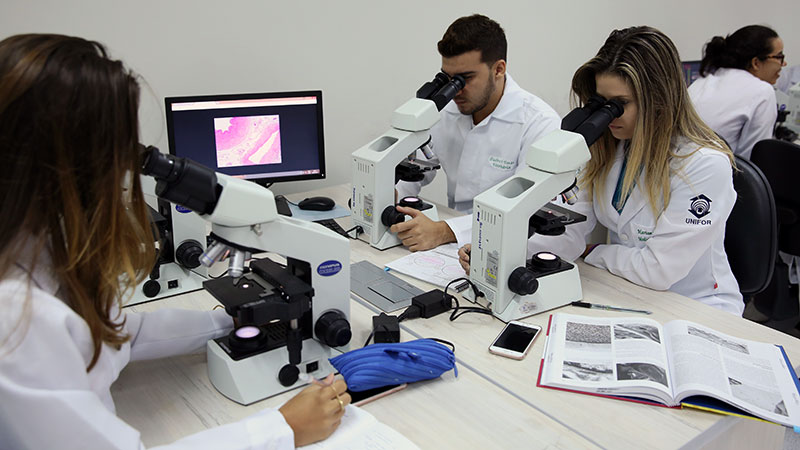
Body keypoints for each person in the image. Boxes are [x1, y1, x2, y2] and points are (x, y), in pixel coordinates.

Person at [0, 34, 350, 449]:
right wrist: (281, 430)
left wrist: (232, 322)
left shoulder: (36, 248)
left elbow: (112, 333)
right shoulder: (16, 320)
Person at [459, 26, 744, 316]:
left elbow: (659, 270)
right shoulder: (611, 147)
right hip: (627, 291)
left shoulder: (703, 164)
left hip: (696, 308)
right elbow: (570, 233)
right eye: (600, 102)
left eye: (619, 105)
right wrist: (501, 254)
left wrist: (593, 252)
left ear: (658, 100)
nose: (607, 115)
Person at [393, 14, 560, 251]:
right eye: (448, 78)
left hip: (507, 248)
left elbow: (525, 212)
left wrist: (445, 231)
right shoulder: (444, 111)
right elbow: (413, 173)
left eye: (465, 79)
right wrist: (389, 194)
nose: (454, 90)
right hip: (448, 246)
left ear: (499, 69)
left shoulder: (540, 124)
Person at [688, 25, 786, 159]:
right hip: (719, 173)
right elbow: (752, 161)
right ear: (756, 63)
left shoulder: (704, 81)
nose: (784, 64)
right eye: (779, 57)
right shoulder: (762, 91)